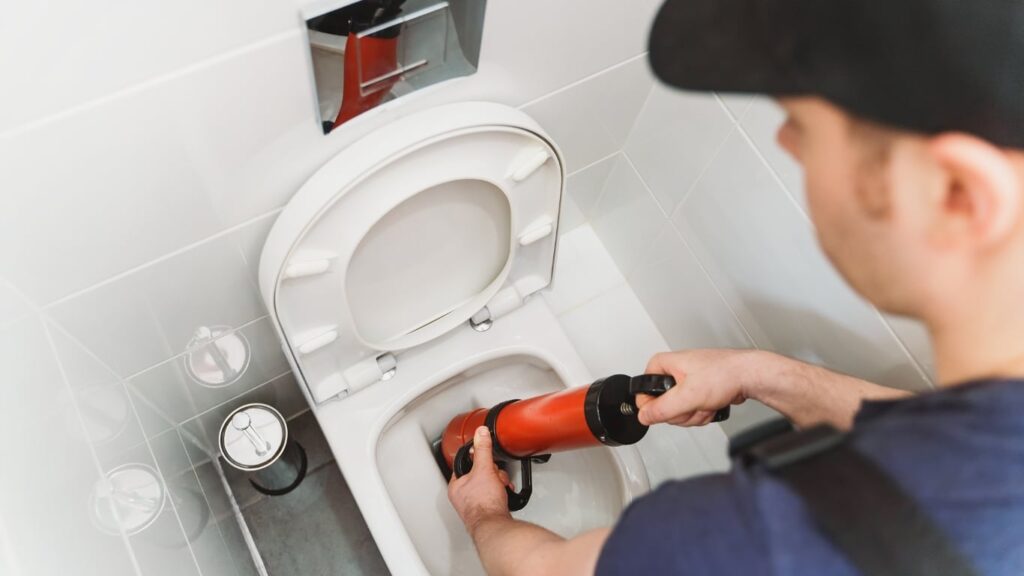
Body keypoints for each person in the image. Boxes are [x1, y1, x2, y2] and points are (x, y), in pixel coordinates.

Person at [447, 0, 1024, 574]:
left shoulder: (772, 544)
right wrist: (760, 373)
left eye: (804, 127)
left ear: (958, 195)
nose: (787, 146)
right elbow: (942, 443)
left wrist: (482, 515)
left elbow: (547, 572)